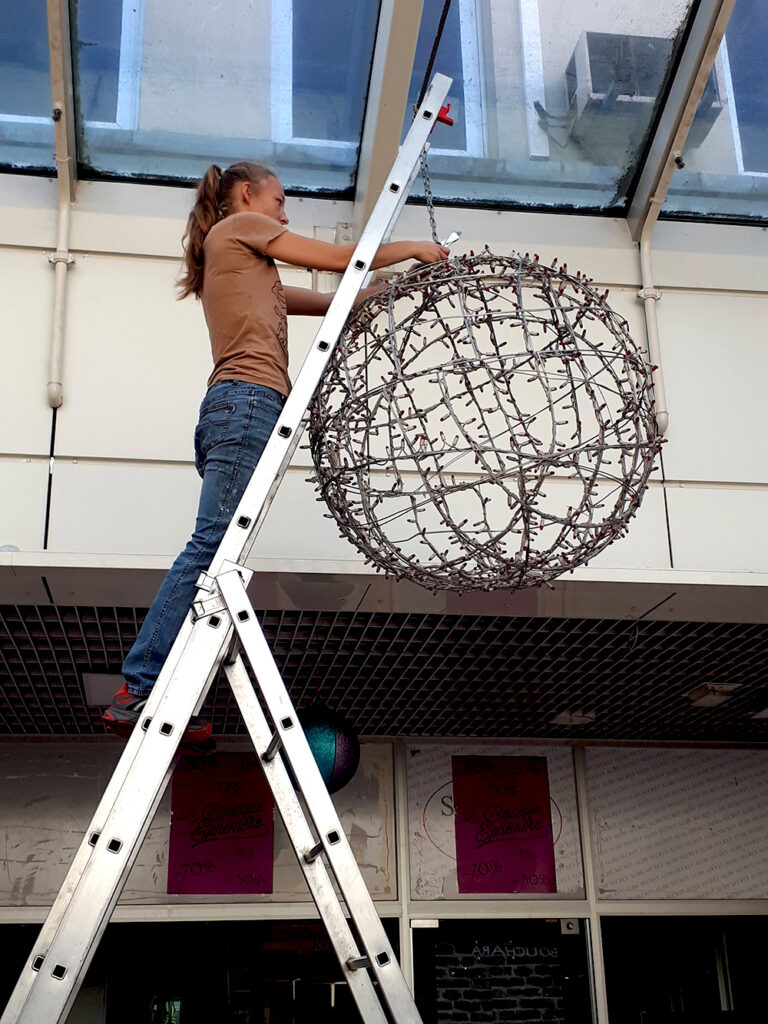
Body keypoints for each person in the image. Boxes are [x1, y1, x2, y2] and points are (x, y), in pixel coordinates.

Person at [103, 161, 449, 747]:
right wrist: (414, 246)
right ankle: (140, 685)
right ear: (246, 195)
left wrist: (395, 290)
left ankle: (161, 689)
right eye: (280, 200)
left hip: (238, 410)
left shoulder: (246, 269)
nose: (285, 214)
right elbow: (340, 259)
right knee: (210, 548)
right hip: (245, 406)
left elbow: (338, 299)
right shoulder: (237, 230)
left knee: (218, 558)